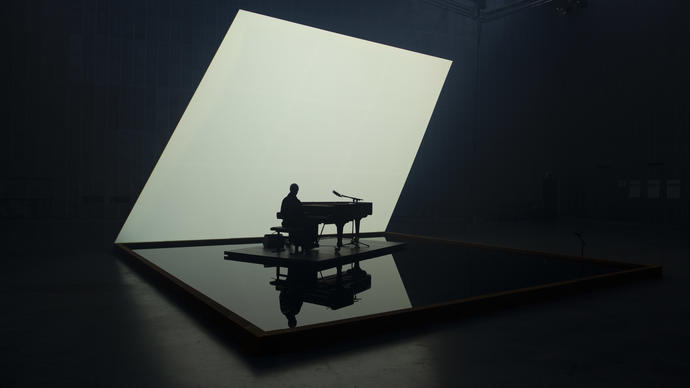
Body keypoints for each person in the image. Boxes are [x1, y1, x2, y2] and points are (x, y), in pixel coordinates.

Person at [280, 183, 318, 253]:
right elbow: (301, 213)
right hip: (292, 223)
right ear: (296, 191)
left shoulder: (285, 200)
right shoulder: (296, 201)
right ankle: (307, 244)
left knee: (307, 224)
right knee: (311, 224)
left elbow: (282, 213)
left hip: (286, 222)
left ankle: (304, 243)